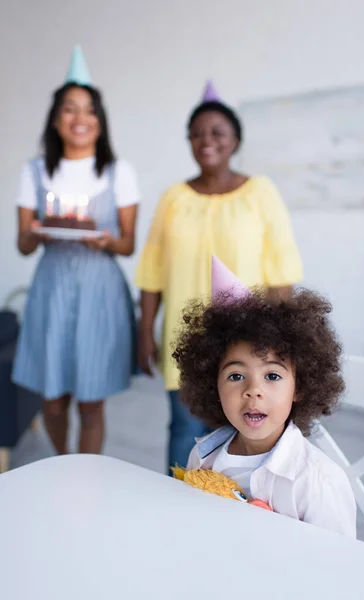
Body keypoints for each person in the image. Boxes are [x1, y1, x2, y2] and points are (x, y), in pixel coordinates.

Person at [136, 81, 303, 473]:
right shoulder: (173, 199)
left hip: (248, 341)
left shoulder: (260, 193)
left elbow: (282, 269)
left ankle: (238, 509)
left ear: (235, 140)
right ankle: (178, 505)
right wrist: (145, 330)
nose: (205, 141)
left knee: (246, 430)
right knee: (184, 428)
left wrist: (280, 342)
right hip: (184, 336)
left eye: (216, 132)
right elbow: (151, 268)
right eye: (196, 134)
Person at [172, 256, 357, 537]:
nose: (253, 390)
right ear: (213, 385)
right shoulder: (202, 457)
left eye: (272, 376)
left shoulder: (316, 482)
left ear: (300, 387)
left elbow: (337, 567)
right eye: (236, 376)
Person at [12, 46, 139, 455]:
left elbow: (127, 243)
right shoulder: (34, 171)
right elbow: (24, 244)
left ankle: (85, 476)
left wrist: (106, 240)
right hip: (51, 288)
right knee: (51, 398)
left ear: (100, 121)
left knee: (90, 398)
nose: (79, 118)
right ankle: (61, 461)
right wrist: (38, 232)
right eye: (69, 109)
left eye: (89, 110)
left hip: (98, 290)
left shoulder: (119, 172)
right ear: (55, 119)